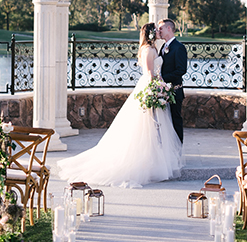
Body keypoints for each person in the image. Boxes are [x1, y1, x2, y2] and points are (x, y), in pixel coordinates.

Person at [57, 23, 183, 188]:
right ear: (152, 34)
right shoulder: (149, 50)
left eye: (161, 30)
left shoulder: (154, 49)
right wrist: (159, 88)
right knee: (146, 127)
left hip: (155, 87)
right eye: (156, 31)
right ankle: (147, 161)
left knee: (155, 128)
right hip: (151, 88)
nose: (159, 33)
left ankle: (154, 159)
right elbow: (150, 75)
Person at [157, 18, 187, 143]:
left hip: (175, 90)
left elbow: (181, 70)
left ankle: (178, 149)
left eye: (161, 29)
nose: (159, 31)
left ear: (169, 28)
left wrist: (163, 79)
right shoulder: (164, 46)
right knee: (165, 123)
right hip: (163, 90)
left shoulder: (179, 47)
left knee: (175, 121)